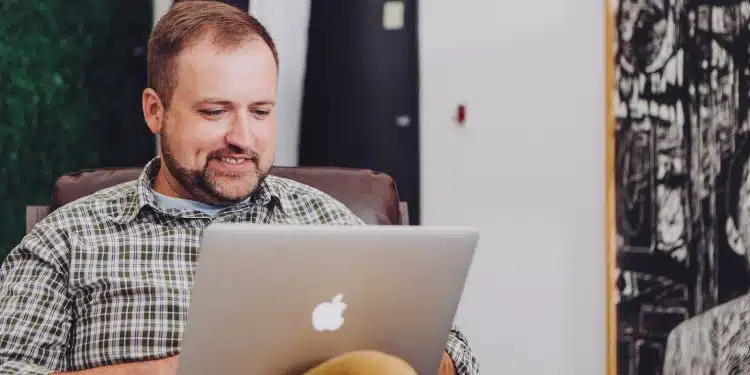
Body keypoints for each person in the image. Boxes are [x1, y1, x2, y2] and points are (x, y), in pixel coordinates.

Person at [0, 2, 480, 375]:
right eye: (215, 111)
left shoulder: (324, 220)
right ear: (155, 111)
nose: (242, 138)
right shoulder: (67, 239)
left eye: (260, 111)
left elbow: (456, 352)